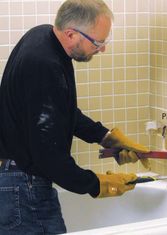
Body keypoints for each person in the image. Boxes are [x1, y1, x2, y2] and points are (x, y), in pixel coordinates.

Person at [0, 0, 150, 234]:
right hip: (24, 188)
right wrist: (97, 184)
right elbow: (49, 157)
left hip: (17, 181)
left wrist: (106, 136)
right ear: (71, 34)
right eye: (98, 42)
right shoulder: (45, 65)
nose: (102, 49)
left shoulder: (42, 36)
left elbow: (60, 111)